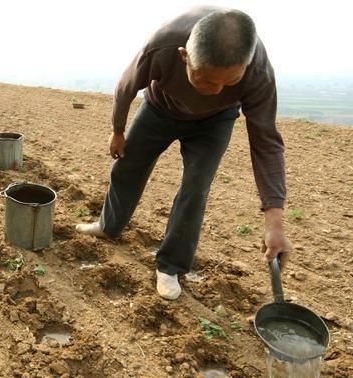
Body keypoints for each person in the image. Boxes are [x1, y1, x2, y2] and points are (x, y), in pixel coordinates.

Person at [76, 7, 292, 300]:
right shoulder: (162, 46)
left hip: (214, 123)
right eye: (205, 80)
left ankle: (171, 267)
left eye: (229, 82)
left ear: (246, 65)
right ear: (184, 57)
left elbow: (266, 142)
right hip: (159, 109)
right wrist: (118, 131)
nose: (215, 90)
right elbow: (125, 88)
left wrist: (274, 221)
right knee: (128, 167)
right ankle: (108, 225)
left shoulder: (258, 73)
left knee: (195, 189)